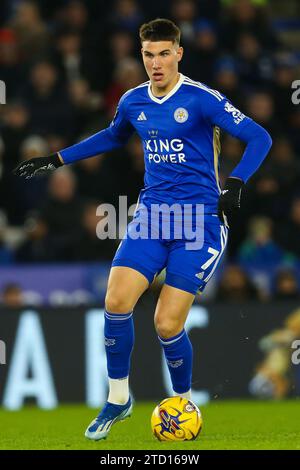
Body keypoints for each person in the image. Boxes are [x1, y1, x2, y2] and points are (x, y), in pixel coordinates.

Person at [14, 18, 272, 440]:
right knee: (115, 300)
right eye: (149, 54)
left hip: (200, 222)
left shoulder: (202, 99)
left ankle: (183, 404)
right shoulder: (134, 101)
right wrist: (55, 159)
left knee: (167, 324)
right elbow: (113, 137)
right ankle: (118, 398)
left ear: (179, 54)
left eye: (164, 53)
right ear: (142, 56)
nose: (156, 62)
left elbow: (259, 136)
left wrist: (237, 182)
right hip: (152, 217)